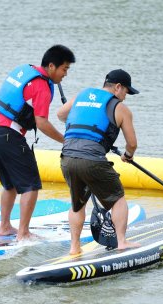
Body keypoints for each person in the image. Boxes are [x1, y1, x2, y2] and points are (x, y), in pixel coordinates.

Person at [0, 45, 76, 241]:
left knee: (10, 185)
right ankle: (23, 233)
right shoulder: (41, 86)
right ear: (51, 66)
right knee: (31, 186)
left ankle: (5, 227)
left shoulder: (26, 71)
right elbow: (41, 122)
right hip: (9, 135)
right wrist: (65, 141)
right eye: (64, 69)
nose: (65, 74)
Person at [57, 69, 141, 254]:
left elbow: (61, 115)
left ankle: (74, 247)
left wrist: (81, 118)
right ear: (118, 87)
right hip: (92, 160)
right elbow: (132, 143)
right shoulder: (120, 108)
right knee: (118, 198)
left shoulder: (82, 95)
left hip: (67, 158)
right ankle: (122, 242)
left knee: (77, 204)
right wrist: (127, 155)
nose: (125, 97)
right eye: (126, 92)